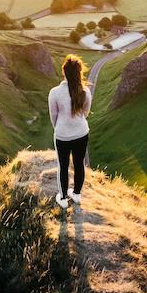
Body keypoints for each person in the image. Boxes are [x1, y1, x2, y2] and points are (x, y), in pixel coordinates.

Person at [49, 54, 92, 208]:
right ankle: (77, 195)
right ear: (79, 72)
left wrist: (60, 128)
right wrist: (76, 123)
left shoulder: (54, 92)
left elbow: (53, 116)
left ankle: (63, 198)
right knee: (79, 163)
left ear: (64, 72)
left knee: (63, 165)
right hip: (81, 132)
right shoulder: (85, 91)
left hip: (62, 135)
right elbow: (86, 112)